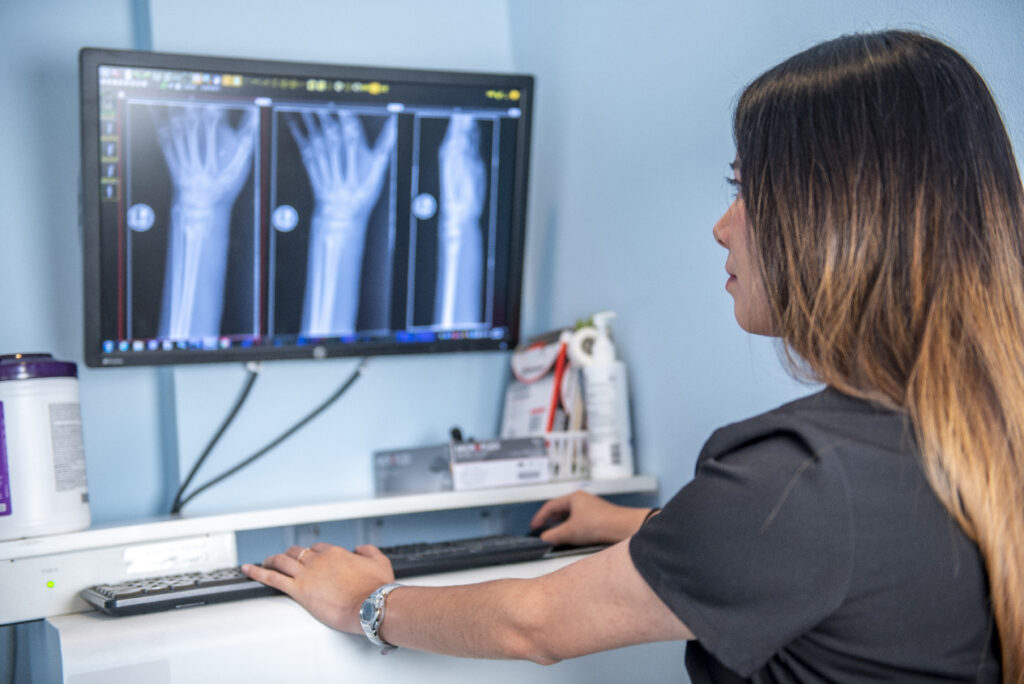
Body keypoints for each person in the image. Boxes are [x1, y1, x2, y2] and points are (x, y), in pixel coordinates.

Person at [243, 30, 1023, 682]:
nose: (724, 226)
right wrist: (626, 523)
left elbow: (532, 624)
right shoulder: (969, 438)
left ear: (837, 216)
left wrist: (362, 601)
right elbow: (822, 555)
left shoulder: (802, 477)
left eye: (745, 189)